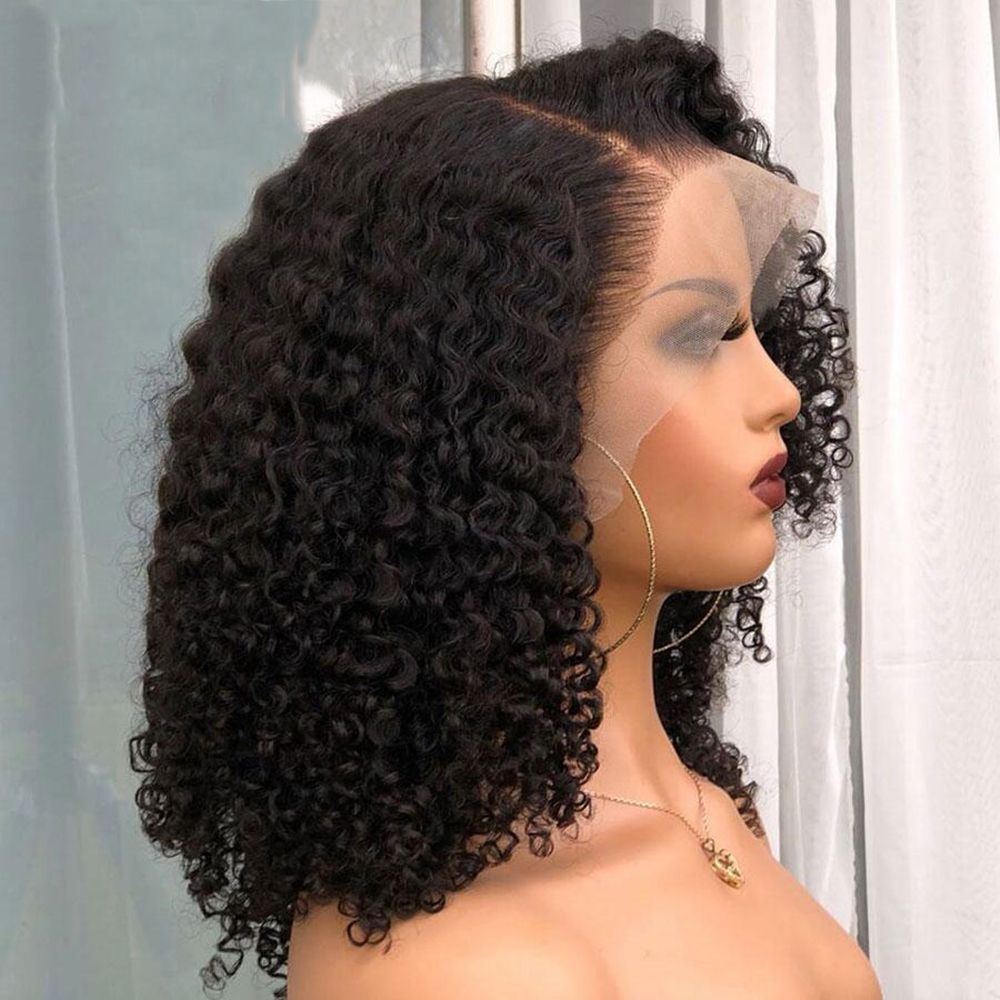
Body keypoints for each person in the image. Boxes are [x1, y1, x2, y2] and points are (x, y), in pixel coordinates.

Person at [128, 24, 881, 1000]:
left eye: (752, 325)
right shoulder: (466, 968)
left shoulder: (704, 813)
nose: (779, 391)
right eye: (698, 335)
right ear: (499, 404)